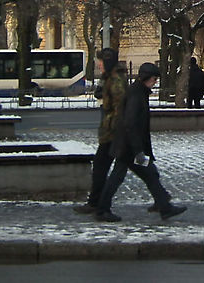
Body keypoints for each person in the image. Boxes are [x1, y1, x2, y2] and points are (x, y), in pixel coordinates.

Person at [94, 62, 187, 222]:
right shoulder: (136, 94)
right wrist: (138, 150)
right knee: (120, 177)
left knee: (149, 174)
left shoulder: (137, 92)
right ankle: (102, 210)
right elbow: (131, 123)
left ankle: (163, 206)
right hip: (129, 147)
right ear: (147, 78)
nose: (155, 82)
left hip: (128, 145)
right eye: (154, 79)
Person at [73, 48, 127, 215]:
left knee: (105, 168)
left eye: (101, 62)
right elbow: (100, 95)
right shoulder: (108, 78)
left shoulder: (116, 80)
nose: (99, 65)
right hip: (110, 132)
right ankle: (96, 203)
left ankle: (98, 204)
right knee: (103, 167)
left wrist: (115, 130)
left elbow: (120, 108)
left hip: (113, 133)